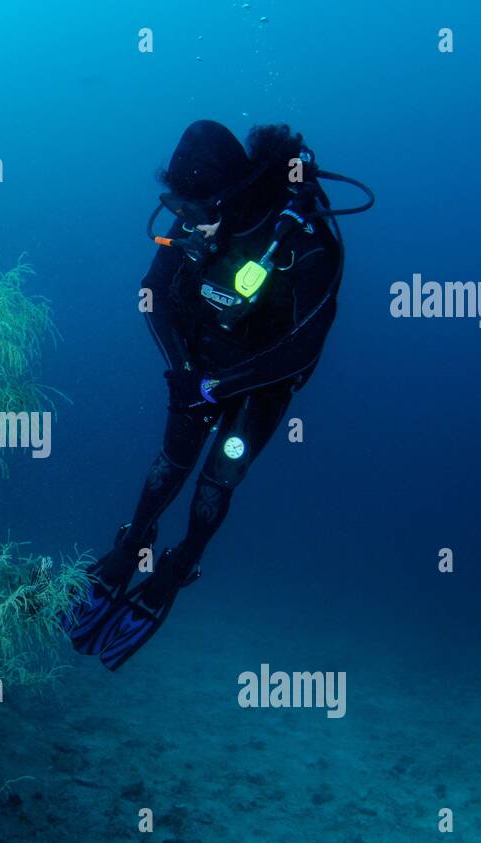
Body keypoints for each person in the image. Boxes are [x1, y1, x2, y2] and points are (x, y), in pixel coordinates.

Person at [66, 120, 373, 670]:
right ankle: (130, 545)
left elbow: (303, 349)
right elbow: (151, 294)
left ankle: (182, 561)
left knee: (218, 476)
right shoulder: (195, 222)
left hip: (260, 384)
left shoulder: (303, 240)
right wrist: (185, 374)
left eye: (193, 206)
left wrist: (215, 387)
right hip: (198, 367)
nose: (184, 218)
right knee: (172, 459)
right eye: (177, 205)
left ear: (226, 193)